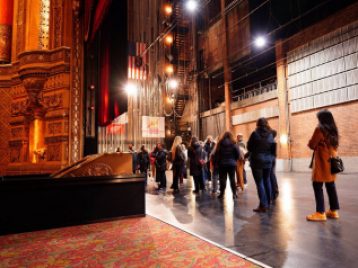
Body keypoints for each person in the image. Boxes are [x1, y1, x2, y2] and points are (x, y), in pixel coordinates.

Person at [306, 110, 340, 222]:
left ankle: (320, 212)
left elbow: (311, 144)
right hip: (332, 162)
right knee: (331, 186)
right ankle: (334, 211)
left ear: (322, 119)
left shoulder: (320, 129)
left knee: (317, 186)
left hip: (322, 163)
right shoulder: (334, 131)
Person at [247, 118, 275, 212]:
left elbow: (249, 147)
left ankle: (263, 205)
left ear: (257, 124)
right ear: (266, 124)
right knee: (267, 180)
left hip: (257, 161)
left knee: (260, 183)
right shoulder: (270, 134)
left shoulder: (255, 134)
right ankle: (268, 201)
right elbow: (272, 148)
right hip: (268, 161)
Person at [215, 132, 240, 199]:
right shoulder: (234, 143)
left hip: (222, 164)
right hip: (232, 164)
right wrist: (234, 160)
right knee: (232, 179)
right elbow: (238, 154)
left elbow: (217, 154)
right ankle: (234, 194)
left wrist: (217, 163)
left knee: (222, 179)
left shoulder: (220, 143)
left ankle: (222, 194)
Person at [270, 129, 279, 200]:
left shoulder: (271, 142)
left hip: (271, 160)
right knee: (272, 175)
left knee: (271, 175)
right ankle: (275, 191)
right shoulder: (273, 142)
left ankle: (275, 191)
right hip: (273, 160)